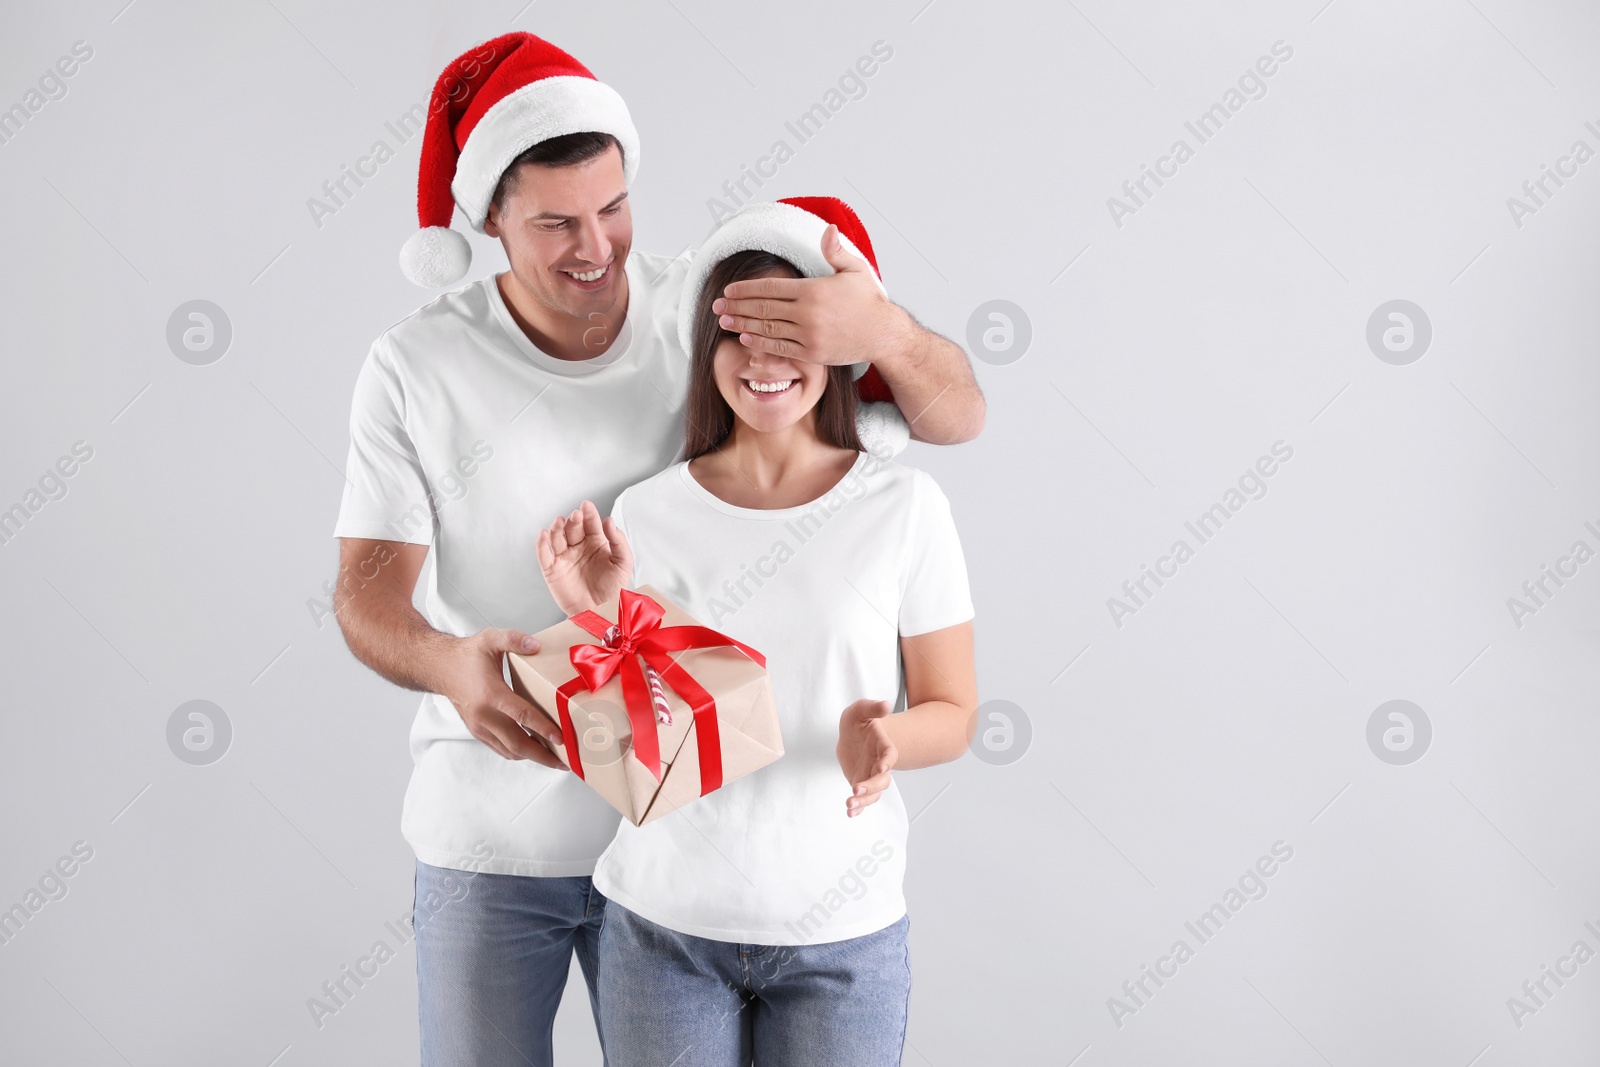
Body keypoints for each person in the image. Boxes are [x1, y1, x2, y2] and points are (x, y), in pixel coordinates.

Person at [330, 31, 985, 1067]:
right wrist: (445, 661)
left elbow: (951, 418)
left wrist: (882, 329)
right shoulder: (415, 365)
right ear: (489, 219)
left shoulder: (708, 313)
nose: (595, 246)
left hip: (686, 849)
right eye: (554, 221)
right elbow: (366, 594)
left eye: (614, 207)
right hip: (495, 831)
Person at [536, 197, 979, 1067]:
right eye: (742, 330)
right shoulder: (649, 513)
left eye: (794, 332)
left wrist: (887, 737)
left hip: (841, 937)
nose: (766, 360)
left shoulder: (904, 507)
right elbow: (626, 747)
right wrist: (595, 617)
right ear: (708, 348)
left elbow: (954, 709)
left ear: (838, 349)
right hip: (664, 927)